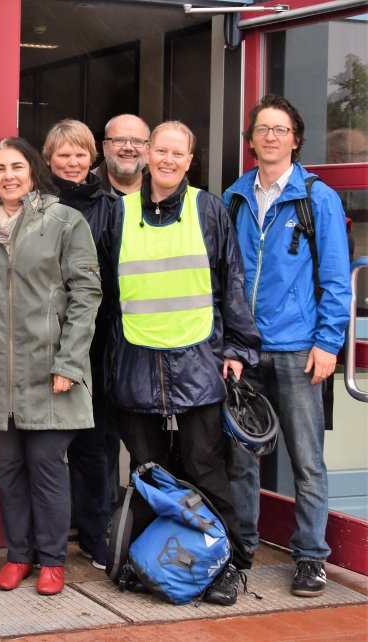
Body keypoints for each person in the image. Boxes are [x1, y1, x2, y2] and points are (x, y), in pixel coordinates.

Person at [106, 121, 261, 606]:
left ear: (190, 162)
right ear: (148, 154)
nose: (168, 159)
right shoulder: (118, 213)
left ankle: (228, 564)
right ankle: (154, 564)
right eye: (161, 150)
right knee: (148, 471)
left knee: (203, 467)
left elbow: (231, 281)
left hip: (198, 364)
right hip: (134, 361)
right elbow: (105, 295)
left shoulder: (208, 208)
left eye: (179, 152)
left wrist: (238, 349)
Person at [224, 94, 352, 598]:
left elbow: (337, 279)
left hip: (300, 349)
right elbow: (224, 277)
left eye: (280, 129)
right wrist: (230, 343)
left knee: (306, 458)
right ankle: (241, 551)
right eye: (262, 129)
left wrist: (328, 341)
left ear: (295, 139)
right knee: (240, 458)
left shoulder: (316, 197)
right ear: (251, 140)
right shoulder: (234, 196)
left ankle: (310, 557)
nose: (271, 136)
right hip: (245, 351)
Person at [0, 137, 102, 595]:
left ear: (33, 171)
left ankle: (52, 560)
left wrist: (70, 361)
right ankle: (18, 555)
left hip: (50, 369)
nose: (8, 176)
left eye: (16, 166)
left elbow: (87, 296)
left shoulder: (65, 221)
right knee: (7, 469)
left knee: (46, 464)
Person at [42, 119, 119, 571]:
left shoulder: (111, 207)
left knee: (95, 447)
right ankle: (45, 538)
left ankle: (94, 535)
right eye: (63, 154)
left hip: (97, 341)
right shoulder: (35, 205)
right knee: (46, 449)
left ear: (93, 158)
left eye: (80, 153)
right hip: (46, 340)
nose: (72, 162)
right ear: (48, 159)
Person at [95, 114, 150, 196]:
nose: (128, 147)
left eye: (137, 141)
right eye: (119, 140)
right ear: (105, 147)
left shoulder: (164, 188)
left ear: (148, 149)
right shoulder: (86, 188)